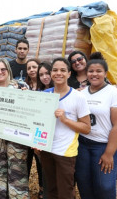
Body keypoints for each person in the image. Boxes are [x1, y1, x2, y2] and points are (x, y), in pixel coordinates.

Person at [75, 52, 117, 199]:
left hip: (104, 145)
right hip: (83, 144)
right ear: (86, 74)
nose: (94, 74)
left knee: (104, 186)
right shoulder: (80, 93)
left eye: (99, 71)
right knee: (84, 183)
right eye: (91, 71)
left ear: (105, 73)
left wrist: (109, 153)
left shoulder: (115, 94)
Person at [41, 57, 91, 199]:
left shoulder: (78, 97)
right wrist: (35, 143)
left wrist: (65, 120)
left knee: (66, 191)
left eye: (63, 70)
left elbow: (86, 128)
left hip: (65, 152)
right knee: (50, 189)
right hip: (46, 149)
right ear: (50, 73)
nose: (59, 73)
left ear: (69, 73)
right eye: (55, 70)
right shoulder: (45, 96)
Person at [0, 58, 29, 198]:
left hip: (17, 136)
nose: (0, 72)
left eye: (3, 69)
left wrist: (26, 97)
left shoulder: (20, 86)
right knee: (0, 170)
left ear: (8, 71)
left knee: (17, 170)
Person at [24, 58, 44, 199]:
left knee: (41, 161)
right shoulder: (22, 85)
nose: (31, 69)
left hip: (40, 130)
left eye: (34, 67)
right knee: (25, 160)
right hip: (25, 129)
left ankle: (43, 187)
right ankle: (23, 187)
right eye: (29, 67)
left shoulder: (46, 86)